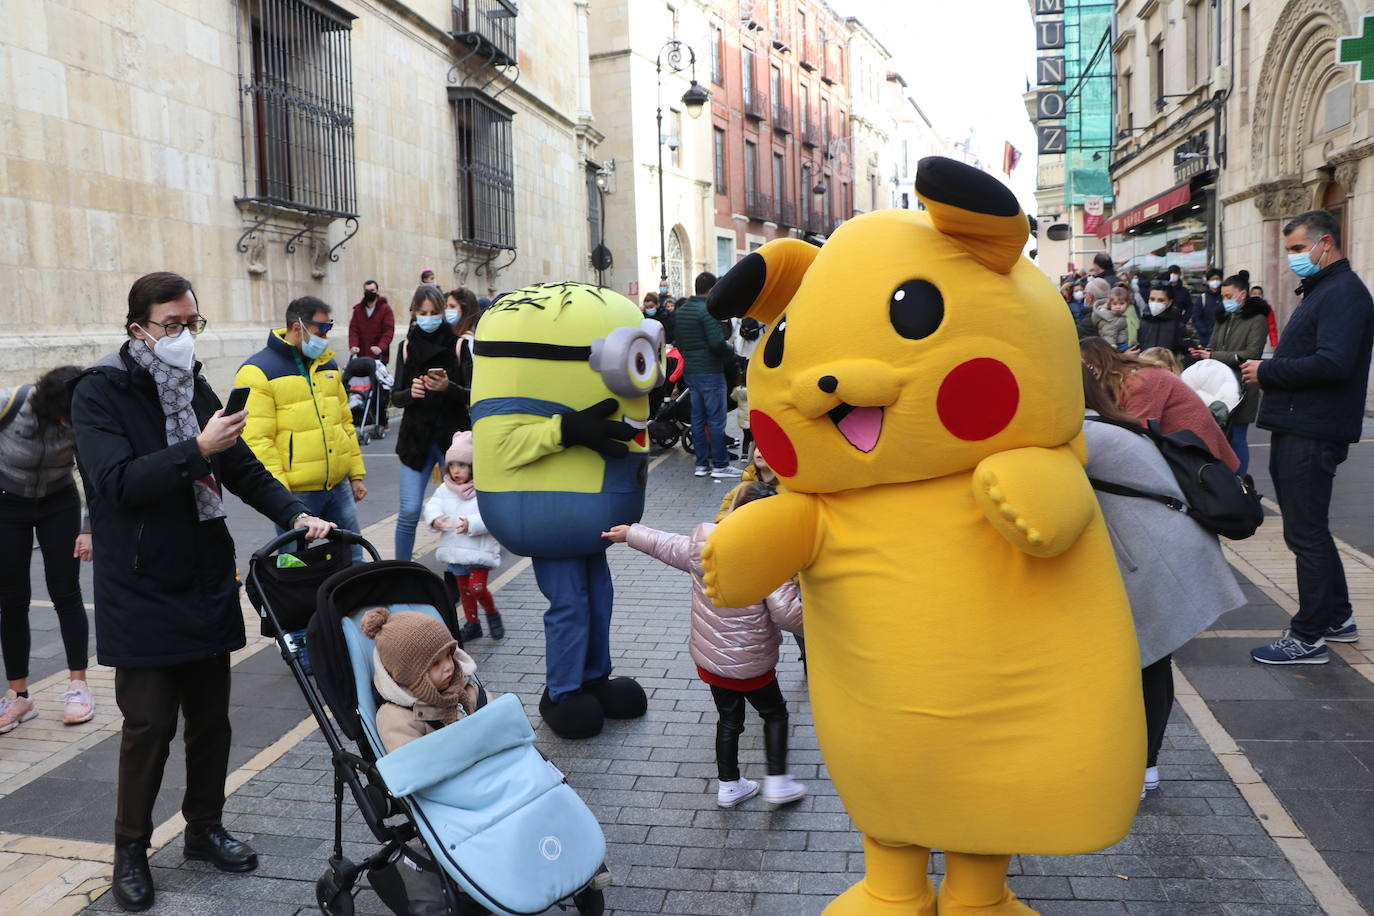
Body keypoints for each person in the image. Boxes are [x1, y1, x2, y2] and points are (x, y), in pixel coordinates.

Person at [70, 271, 333, 912]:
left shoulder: (192, 384)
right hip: (140, 583)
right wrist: (196, 448)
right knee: (149, 726)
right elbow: (116, 483)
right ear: (139, 329)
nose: (184, 336)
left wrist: (294, 512)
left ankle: (204, 828)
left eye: (193, 324)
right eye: (171, 325)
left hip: (203, 576)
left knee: (211, 722)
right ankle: (130, 849)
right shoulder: (99, 391)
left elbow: (238, 462)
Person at [1079, 367, 1244, 798]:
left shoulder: (1083, 437)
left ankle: (1140, 770)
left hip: (1160, 556)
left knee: (1145, 663)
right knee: (1148, 662)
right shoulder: (1104, 425)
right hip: (1164, 548)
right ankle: (1141, 766)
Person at [603, 481, 807, 807]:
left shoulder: (704, 545)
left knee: (729, 719)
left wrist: (630, 533)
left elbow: (666, 544)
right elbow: (787, 615)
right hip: (752, 663)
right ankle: (778, 782)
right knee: (775, 713)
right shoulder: (770, 559)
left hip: (711, 661)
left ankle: (729, 785)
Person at [1241, 209, 1374, 665]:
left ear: (1326, 243)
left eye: (1299, 249)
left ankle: (1308, 636)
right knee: (1309, 532)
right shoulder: (1325, 289)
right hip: (1303, 423)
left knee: (1306, 535)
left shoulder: (1342, 293)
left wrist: (1269, 371)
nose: (1294, 258)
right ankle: (1337, 618)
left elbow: (1333, 363)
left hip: (1312, 428)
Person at [236, 297, 367, 561]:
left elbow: (343, 422)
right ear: (299, 328)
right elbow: (259, 441)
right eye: (321, 330)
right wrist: (281, 498)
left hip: (337, 486)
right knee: (292, 565)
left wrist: (355, 474)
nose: (325, 338)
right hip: (296, 493)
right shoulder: (258, 371)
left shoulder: (328, 365)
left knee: (353, 560)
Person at [0, 367, 94, 732]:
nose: (69, 421)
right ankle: (19, 697)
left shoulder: (83, 413)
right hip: (8, 503)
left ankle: (78, 687)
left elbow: (92, 472)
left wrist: (88, 530)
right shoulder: (10, 404)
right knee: (12, 599)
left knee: (66, 591)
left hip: (59, 502)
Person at [1079, 338, 1240, 471]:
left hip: (1200, 463)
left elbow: (1137, 435)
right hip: (1188, 456)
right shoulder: (1128, 380)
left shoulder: (1140, 381)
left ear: (1095, 366)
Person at [391, 286, 468, 562]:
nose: (429, 318)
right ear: (414, 313)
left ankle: (456, 574)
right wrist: (409, 393)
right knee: (410, 510)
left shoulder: (459, 346)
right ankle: (400, 570)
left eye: (434, 313)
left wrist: (448, 387)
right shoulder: (406, 347)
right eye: (423, 313)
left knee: (459, 508)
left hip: (454, 442)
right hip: (415, 440)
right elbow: (395, 397)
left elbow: (473, 394)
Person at [360, 607, 481, 753]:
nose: (448, 666)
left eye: (449, 655)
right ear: (409, 675)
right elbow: (414, 766)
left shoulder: (465, 686)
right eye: (435, 663)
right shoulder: (397, 719)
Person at [424, 432, 503, 642]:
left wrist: (472, 524)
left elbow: (493, 515)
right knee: (463, 590)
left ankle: (492, 612)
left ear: (474, 466)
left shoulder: (484, 489)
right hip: (455, 549)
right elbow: (433, 506)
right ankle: (472, 623)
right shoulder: (444, 489)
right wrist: (435, 519)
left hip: (479, 549)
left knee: (476, 588)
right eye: (452, 465)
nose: (456, 471)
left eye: (463, 465)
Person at [1189, 270, 1270, 474]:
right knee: (1219, 436)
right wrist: (1202, 351)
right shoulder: (1223, 318)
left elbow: (1252, 353)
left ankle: (1240, 480)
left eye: (1228, 296)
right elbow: (1214, 346)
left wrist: (1213, 355)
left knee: (1238, 437)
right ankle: (1225, 478)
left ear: (1242, 295)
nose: (1224, 301)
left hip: (1242, 385)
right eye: (1223, 297)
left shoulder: (1257, 319)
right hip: (1217, 385)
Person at [675, 272, 740, 479]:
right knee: (716, 420)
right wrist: (731, 351)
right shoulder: (708, 311)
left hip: (692, 372)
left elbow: (681, 343)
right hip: (711, 371)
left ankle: (701, 465)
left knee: (698, 419)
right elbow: (716, 343)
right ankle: (721, 464)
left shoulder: (683, 311)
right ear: (712, 289)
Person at [349, 280, 395, 430]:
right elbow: (353, 329)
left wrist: (380, 347)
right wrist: (353, 346)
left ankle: (382, 420)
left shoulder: (385, 309)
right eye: (367, 290)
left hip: (377, 359)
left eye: (372, 289)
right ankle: (363, 418)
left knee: (379, 391)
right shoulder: (358, 310)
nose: (370, 292)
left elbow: (388, 330)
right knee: (361, 389)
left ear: (377, 291)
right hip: (362, 357)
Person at [1137, 281, 1188, 354]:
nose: (1155, 303)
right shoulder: (1142, 320)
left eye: (1161, 300)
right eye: (1152, 299)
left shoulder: (1176, 323)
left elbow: (1183, 347)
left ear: (1169, 302)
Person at [1193, 268, 1223, 347]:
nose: (1215, 281)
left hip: (1223, 338)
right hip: (1206, 339)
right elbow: (1196, 317)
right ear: (1208, 281)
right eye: (1213, 279)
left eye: (1218, 279)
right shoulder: (1202, 298)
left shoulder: (1225, 297)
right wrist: (1204, 330)